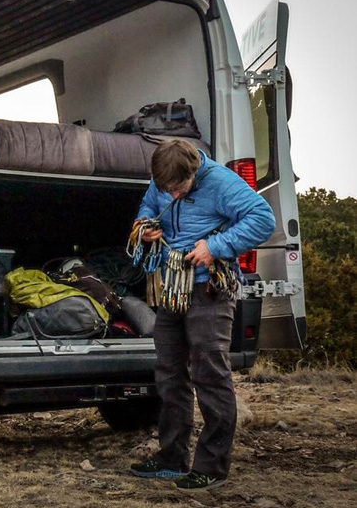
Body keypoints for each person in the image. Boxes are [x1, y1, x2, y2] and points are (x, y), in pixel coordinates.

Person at [129, 140, 275, 492]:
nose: (173, 195)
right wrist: (145, 225)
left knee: (210, 375)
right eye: (168, 189)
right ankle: (171, 459)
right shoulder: (163, 177)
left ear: (194, 172)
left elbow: (263, 219)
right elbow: (149, 204)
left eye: (180, 188)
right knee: (169, 373)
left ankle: (211, 467)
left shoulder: (222, 183)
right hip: (172, 287)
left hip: (210, 290)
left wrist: (215, 247)